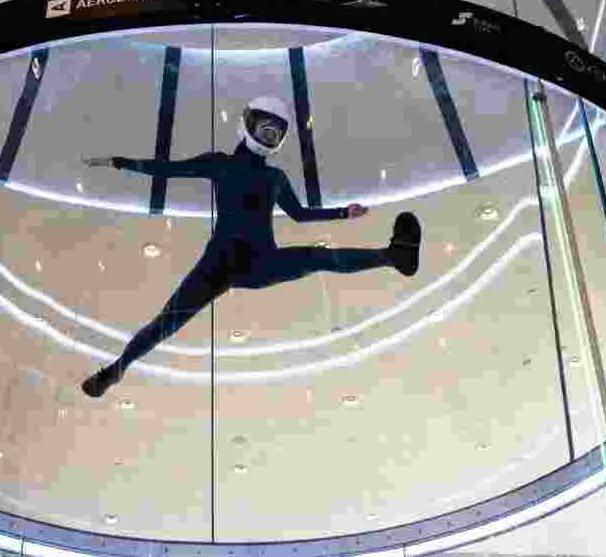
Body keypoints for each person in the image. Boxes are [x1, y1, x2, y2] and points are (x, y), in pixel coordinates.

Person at [80, 96, 421, 397]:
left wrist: (342, 213)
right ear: (248, 123)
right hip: (223, 266)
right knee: (166, 322)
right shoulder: (221, 164)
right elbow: (167, 170)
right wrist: (120, 162)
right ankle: (116, 370)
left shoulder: (274, 178)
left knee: (318, 257)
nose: (269, 135)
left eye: (276, 131)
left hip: (251, 263)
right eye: (264, 127)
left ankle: (394, 256)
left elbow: (299, 215)